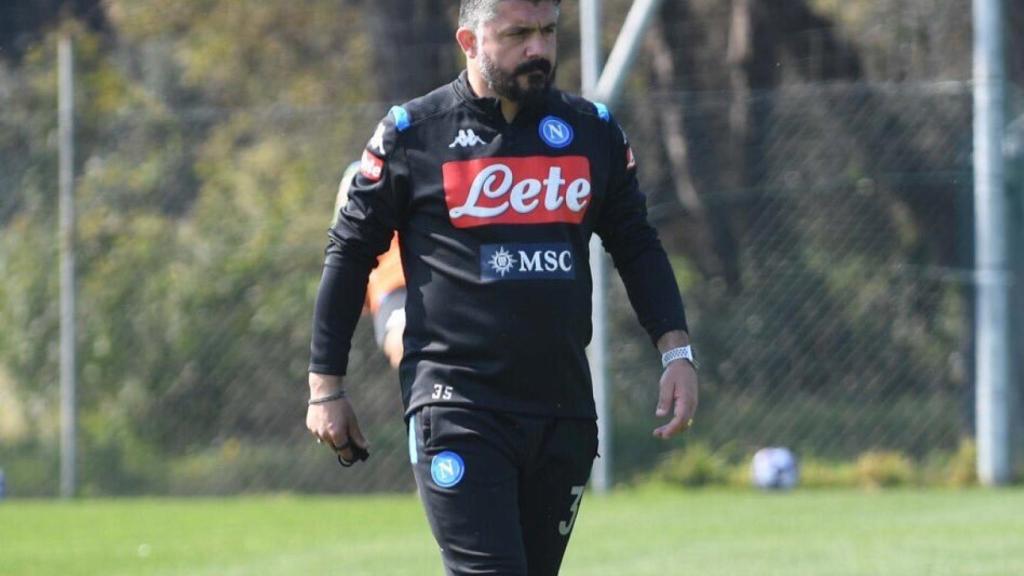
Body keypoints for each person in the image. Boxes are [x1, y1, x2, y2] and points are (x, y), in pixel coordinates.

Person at [306, 0, 699, 573]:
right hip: (457, 406)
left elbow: (637, 245)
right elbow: (348, 256)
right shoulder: (413, 135)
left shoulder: (593, 131)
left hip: (562, 411)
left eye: (548, 32)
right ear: (469, 40)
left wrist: (677, 351)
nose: (538, 48)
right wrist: (326, 386)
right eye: (518, 34)